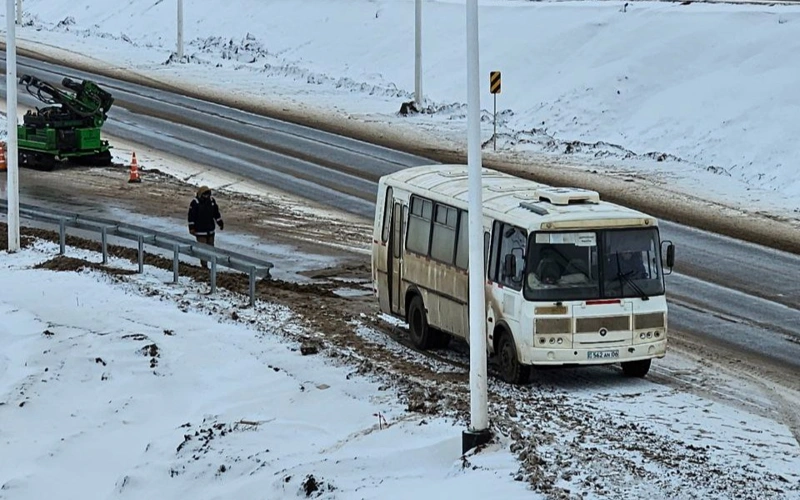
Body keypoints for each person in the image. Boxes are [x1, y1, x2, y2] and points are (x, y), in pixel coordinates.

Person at [188, 186, 224, 268]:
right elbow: (191, 216)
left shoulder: (211, 201)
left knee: (211, 248)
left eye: (208, 194)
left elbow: (216, 213)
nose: (206, 196)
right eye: (205, 194)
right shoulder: (195, 203)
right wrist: (191, 228)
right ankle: (204, 265)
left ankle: (212, 264)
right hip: (200, 231)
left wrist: (220, 223)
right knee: (203, 249)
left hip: (210, 230)